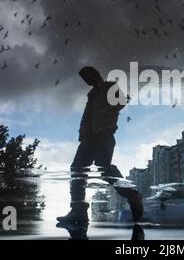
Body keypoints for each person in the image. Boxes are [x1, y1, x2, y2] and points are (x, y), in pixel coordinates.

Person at [57, 66, 143, 225]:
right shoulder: (91, 94)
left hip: (103, 135)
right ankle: (78, 211)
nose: (86, 80)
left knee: (104, 169)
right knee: (77, 170)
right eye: (84, 78)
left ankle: (133, 195)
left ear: (95, 74)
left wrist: (109, 111)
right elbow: (88, 115)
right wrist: (83, 133)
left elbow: (121, 102)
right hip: (87, 139)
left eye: (88, 76)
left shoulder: (109, 86)